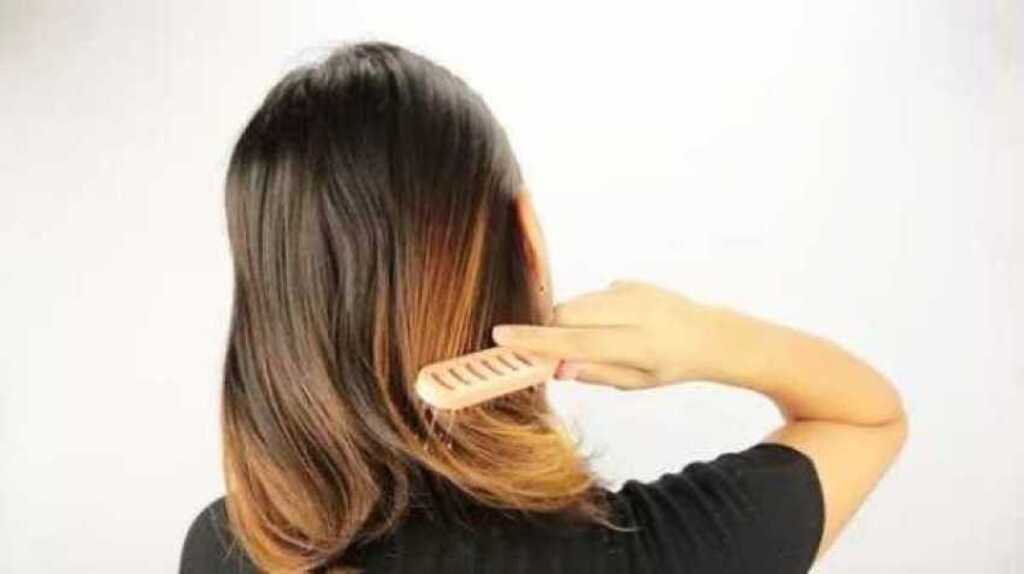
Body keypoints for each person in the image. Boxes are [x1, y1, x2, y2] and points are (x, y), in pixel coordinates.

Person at [179, 40, 908, 573]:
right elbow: (865, 416)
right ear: (526, 238)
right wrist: (698, 335)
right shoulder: (658, 555)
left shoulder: (222, 549)